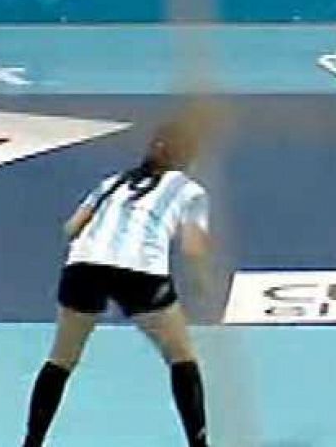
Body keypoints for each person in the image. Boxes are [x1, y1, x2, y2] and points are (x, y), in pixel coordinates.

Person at [20, 119, 214, 447]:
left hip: (83, 266)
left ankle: (31, 443)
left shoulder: (112, 182)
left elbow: (71, 228)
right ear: (186, 158)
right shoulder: (190, 191)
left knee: (61, 360)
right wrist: (205, 285)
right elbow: (193, 248)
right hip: (140, 271)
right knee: (182, 357)